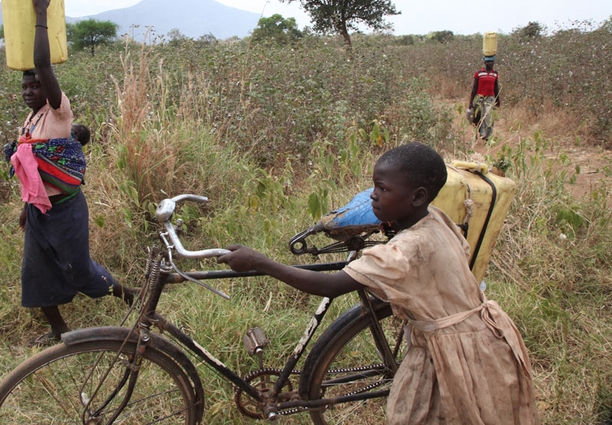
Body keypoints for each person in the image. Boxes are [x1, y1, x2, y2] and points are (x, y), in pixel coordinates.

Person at [219, 143, 539, 424]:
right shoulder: (437, 218)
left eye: (383, 189)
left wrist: (261, 262)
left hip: (454, 350)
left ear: (417, 196)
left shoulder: (407, 250)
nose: (373, 194)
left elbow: (331, 286)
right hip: (482, 335)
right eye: (374, 186)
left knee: (427, 412)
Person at [5, 0, 134, 347]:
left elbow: (44, 63)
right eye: (25, 86)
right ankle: (60, 332)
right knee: (35, 272)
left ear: (48, 88)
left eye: (35, 85)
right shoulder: (28, 124)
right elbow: (31, 172)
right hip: (40, 212)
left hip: (65, 210)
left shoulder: (59, 113)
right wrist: (26, 208)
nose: (30, 90)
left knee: (81, 272)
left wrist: (41, 13)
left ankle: (131, 297)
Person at [469, 56, 501, 141]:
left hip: (490, 98)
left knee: (489, 116)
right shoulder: (479, 73)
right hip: (479, 98)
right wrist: (471, 102)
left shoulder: (495, 74)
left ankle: (488, 136)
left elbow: (496, 87)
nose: (490, 64)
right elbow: (474, 88)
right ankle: (480, 132)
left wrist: (498, 100)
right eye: (488, 62)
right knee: (478, 117)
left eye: (492, 62)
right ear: (485, 63)